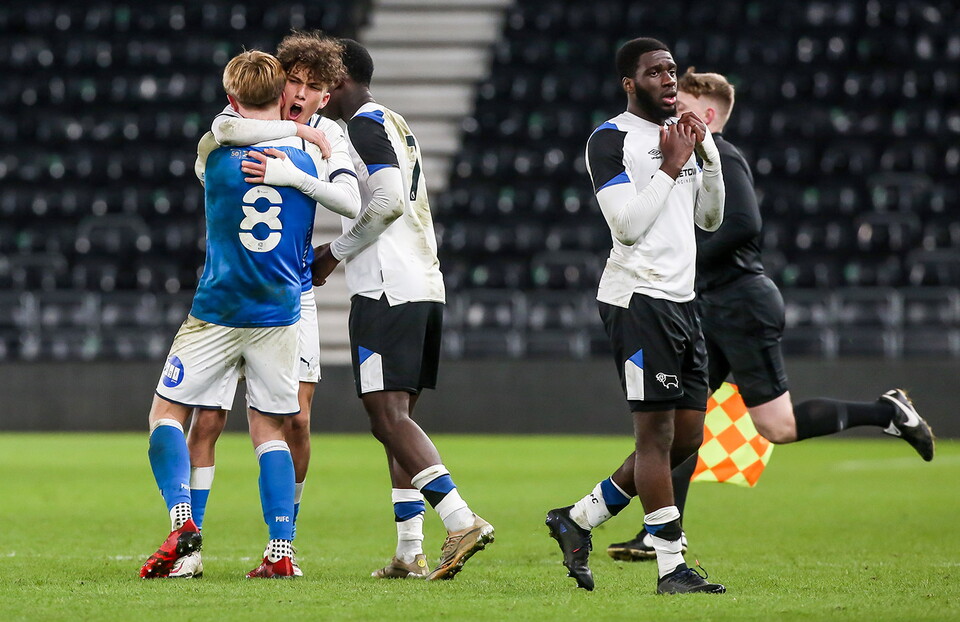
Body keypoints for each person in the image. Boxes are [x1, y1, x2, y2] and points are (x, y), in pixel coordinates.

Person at [605, 69, 935, 561]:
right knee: (677, 423)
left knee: (775, 427)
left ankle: (888, 411)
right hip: (709, 305)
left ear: (710, 114)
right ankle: (662, 535)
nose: (676, 109)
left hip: (740, 304)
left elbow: (741, 224)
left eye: (688, 102)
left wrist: (682, 255)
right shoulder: (688, 159)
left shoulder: (723, 156)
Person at [249, 38, 494, 581]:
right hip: (422, 282)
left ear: (335, 81)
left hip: (388, 287)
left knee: (386, 417)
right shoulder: (393, 122)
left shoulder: (361, 124)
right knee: (398, 418)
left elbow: (385, 203)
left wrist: (332, 255)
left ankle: (459, 518)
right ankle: (410, 550)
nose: (311, 94)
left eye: (318, 83)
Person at [169, 31, 361, 580]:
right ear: (278, 82)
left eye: (312, 86)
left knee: (292, 421)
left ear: (328, 96)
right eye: (292, 80)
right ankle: (191, 547)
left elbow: (356, 203)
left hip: (291, 295)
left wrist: (296, 175)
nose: (299, 93)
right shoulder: (244, 121)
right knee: (206, 419)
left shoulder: (334, 139)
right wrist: (293, 136)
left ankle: (283, 544)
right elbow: (224, 128)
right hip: (237, 292)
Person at [543, 38, 727, 595]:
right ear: (630, 82)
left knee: (688, 438)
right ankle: (672, 568)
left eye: (672, 70)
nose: (669, 79)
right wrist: (671, 165)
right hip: (637, 300)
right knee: (656, 436)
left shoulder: (685, 136)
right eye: (655, 72)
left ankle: (577, 519)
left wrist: (707, 156)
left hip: (683, 301)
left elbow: (712, 220)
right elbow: (625, 225)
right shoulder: (609, 139)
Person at [139, 50, 325, 580]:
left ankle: (183, 523)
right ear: (285, 97)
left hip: (217, 311)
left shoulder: (214, 154)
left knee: (167, 415)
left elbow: (225, 132)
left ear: (231, 98)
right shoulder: (306, 163)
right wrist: (302, 136)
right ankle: (281, 551)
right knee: (269, 430)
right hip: (279, 314)